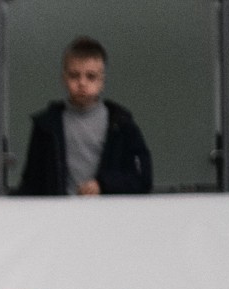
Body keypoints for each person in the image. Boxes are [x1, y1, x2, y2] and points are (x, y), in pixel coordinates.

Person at [16, 37, 153, 197]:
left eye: (91, 76)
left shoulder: (121, 125)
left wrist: (103, 184)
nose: (82, 83)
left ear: (102, 81)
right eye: (74, 76)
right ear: (64, 79)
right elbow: (32, 182)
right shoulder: (47, 126)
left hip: (109, 215)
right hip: (60, 215)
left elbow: (142, 179)